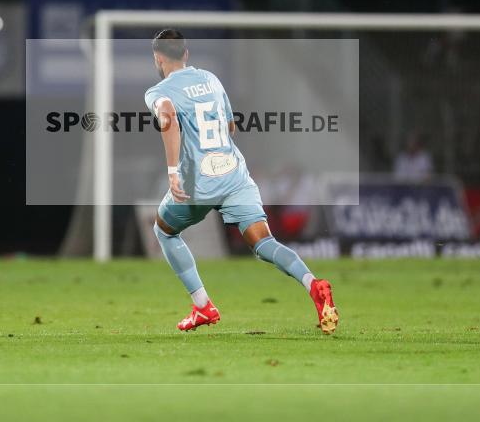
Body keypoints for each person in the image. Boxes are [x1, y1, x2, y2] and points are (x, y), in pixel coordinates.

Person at [144, 29, 338, 333]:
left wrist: (172, 171)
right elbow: (231, 126)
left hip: (199, 181)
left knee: (165, 231)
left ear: (158, 58)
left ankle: (202, 306)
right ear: (187, 54)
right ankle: (314, 285)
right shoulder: (212, 79)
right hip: (234, 174)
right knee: (264, 243)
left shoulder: (158, 91)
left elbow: (167, 117)